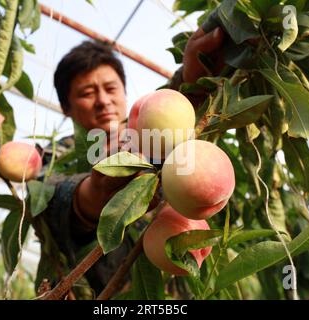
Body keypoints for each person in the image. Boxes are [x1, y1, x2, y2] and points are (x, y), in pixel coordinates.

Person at [37, 27, 225, 298]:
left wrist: (192, 81)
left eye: (111, 88)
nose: (103, 101)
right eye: (87, 93)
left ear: (125, 92)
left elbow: (169, 114)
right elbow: (47, 195)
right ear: (66, 107)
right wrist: (93, 194)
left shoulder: (148, 138)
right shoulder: (56, 154)